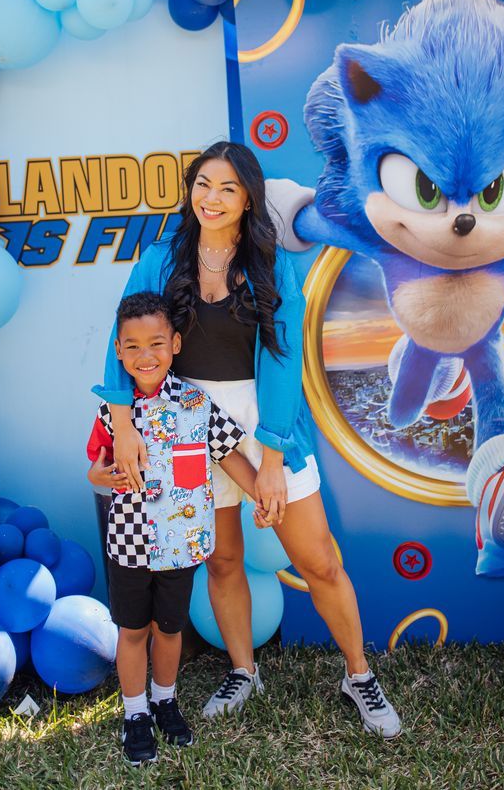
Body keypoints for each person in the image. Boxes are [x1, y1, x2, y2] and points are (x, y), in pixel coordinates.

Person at [94, 141, 402, 739]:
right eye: (203, 184)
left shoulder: (270, 265)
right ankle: (243, 670)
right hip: (183, 429)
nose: (212, 198)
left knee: (320, 561)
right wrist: (126, 425)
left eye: (228, 188)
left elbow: (284, 367)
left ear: (248, 199)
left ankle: (359, 675)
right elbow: (123, 344)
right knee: (224, 557)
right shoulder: (161, 259)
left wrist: (272, 459)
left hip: (265, 423)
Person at [88, 290, 265, 766]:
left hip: (181, 545)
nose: (146, 356)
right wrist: (98, 476)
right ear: (119, 351)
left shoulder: (197, 404)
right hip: (129, 542)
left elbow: (229, 456)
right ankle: (134, 713)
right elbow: (94, 467)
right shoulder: (113, 410)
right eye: (133, 347)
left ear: (176, 345)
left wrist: (261, 494)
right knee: (132, 631)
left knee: (169, 630)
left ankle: (164, 701)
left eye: (156, 344)